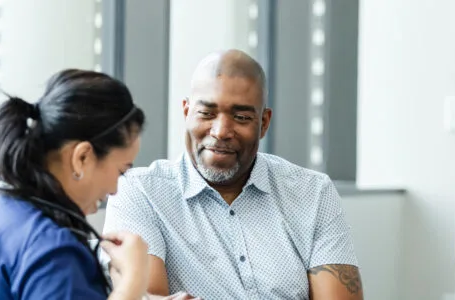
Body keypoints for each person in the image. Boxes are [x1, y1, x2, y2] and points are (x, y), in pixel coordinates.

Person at [103, 49, 363, 299]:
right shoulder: (140, 193)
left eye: (240, 117)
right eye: (206, 113)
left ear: (264, 123)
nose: (221, 131)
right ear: (186, 112)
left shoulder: (313, 193)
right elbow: (146, 298)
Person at [0, 69, 163, 299]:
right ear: (81, 157)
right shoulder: (53, 250)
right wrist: (133, 280)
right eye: (121, 170)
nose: (115, 189)